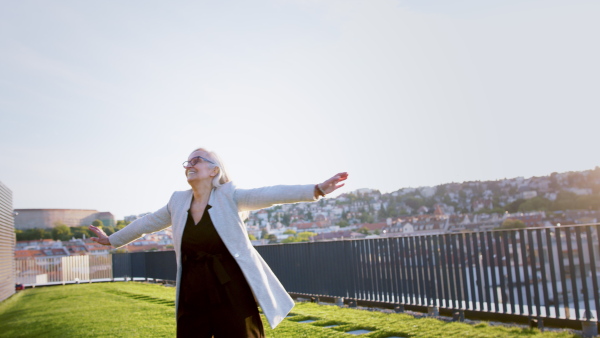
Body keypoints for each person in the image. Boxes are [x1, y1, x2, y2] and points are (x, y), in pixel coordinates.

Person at [89, 148, 348, 337]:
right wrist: (111, 240)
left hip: (229, 286)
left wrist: (317, 189)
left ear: (214, 170)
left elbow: (270, 194)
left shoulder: (229, 196)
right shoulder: (176, 201)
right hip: (191, 288)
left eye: (197, 159)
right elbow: (146, 223)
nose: (189, 164)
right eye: (187, 161)